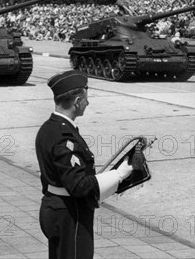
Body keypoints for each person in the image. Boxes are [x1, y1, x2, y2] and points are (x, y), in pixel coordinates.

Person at [36, 71, 133, 259]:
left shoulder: (49, 127)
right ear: (77, 101)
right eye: (86, 99)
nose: (87, 103)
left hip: (55, 208)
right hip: (70, 214)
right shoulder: (64, 137)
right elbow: (78, 186)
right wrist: (119, 175)